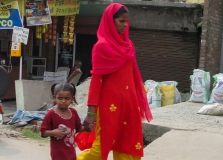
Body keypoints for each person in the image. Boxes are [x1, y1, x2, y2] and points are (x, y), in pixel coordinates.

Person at [77, 3, 153, 160]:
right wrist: (91, 113)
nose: (125, 25)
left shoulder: (128, 45)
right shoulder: (101, 47)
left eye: (127, 21)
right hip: (108, 106)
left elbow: (132, 77)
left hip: (129, 105)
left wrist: (138, 100)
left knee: (129, 149)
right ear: (110, 21)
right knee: (100, 150)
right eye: (121, 21)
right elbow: (96, 81)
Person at [40, 83, 93, 160]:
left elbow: (78, 128)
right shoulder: (51, 114)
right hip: (58, 154)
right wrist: (54, 132)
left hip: (71, 153)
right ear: (54, 98)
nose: (63, 101)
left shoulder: (73, 112)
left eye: (67, 98)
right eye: (60, 98)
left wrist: (87, 128)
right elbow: (43, 132)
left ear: (72, 99)